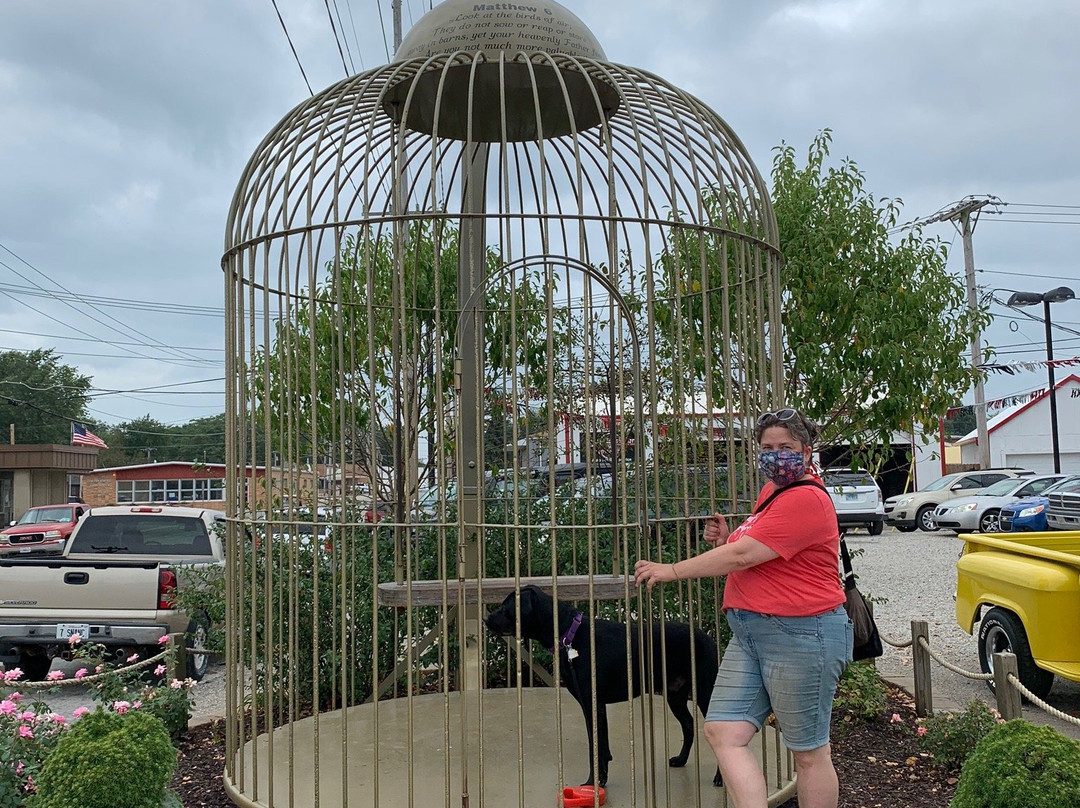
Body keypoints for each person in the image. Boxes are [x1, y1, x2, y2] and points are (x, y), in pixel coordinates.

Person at [633, 407, 852, 808]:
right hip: (751, 633)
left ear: (806, 452)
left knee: (808, 752)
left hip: (802, 633)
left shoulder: (806, 498)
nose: (775, 455)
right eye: (767, 447)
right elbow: (759, 550)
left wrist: (672, 570)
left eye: (786, 447)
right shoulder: (772, 492)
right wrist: (726, 539)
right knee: (723, 731)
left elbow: (744, 556)